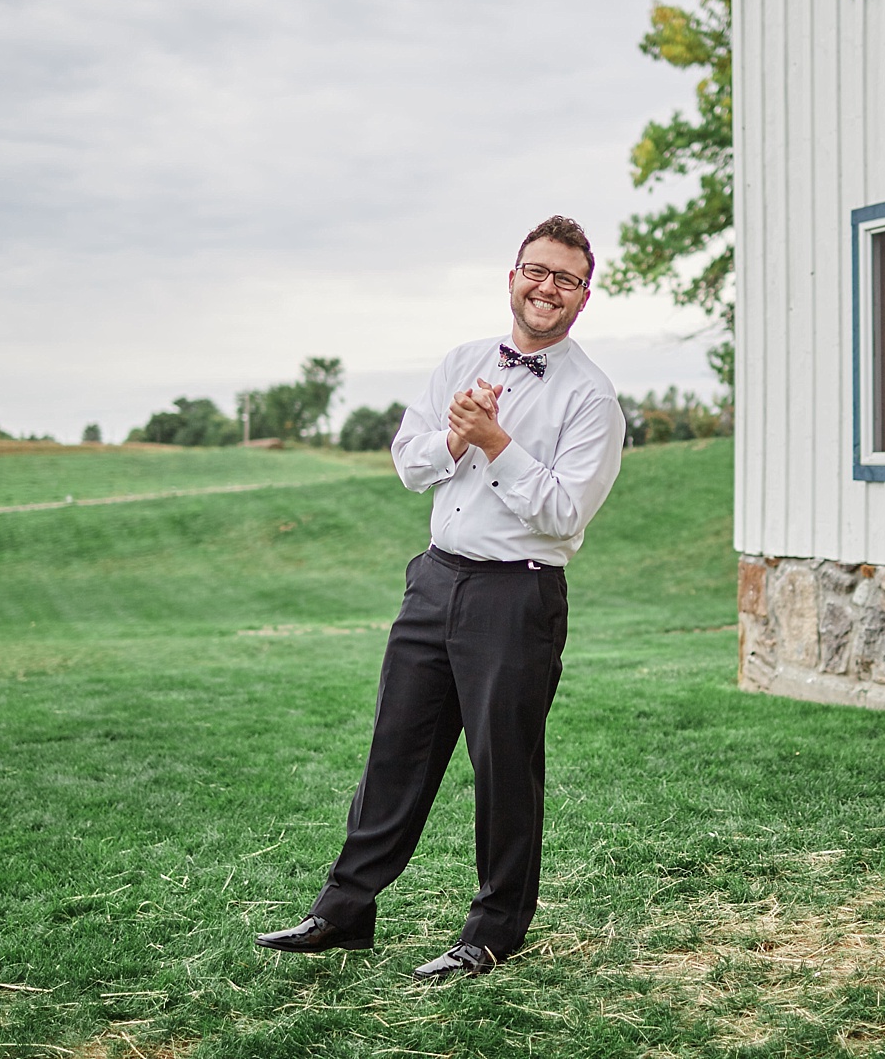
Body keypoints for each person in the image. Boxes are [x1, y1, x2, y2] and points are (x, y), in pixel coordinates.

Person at [256, 215, 625, 979]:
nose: (546, 287)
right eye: (536, 270)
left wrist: (495, 443)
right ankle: (344, 910)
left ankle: (493, 931)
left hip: (517, 595)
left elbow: (563, 511)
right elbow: (409, 463)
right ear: (512, 275)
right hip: (434, 579)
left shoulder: (591, 398)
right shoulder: (459, 360)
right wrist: (458, 439)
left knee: (503, 766)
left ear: (584, 297)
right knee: (395, 750)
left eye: (566, 278)